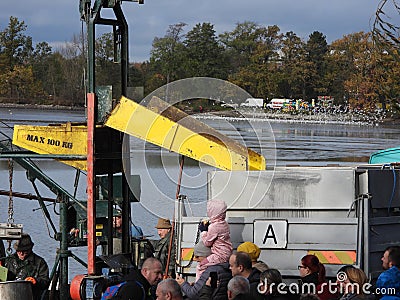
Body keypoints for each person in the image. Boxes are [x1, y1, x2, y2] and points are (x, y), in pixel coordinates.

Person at [4, 233, 50, 300]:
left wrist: (36, 281)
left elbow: (45, 282)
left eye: (24, 251)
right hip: (10, 294)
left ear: (30, 249)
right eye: (19, 251)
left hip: (31, 295)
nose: (21, 253)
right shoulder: (8, 260)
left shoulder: (40, 262)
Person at [197, 199, 233, 281]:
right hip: (227, 253)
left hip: (219, 255)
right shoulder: (225, 224)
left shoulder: (214, 227)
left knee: (201, 266)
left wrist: (203, 231)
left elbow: (207, 243)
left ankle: (199, 285)